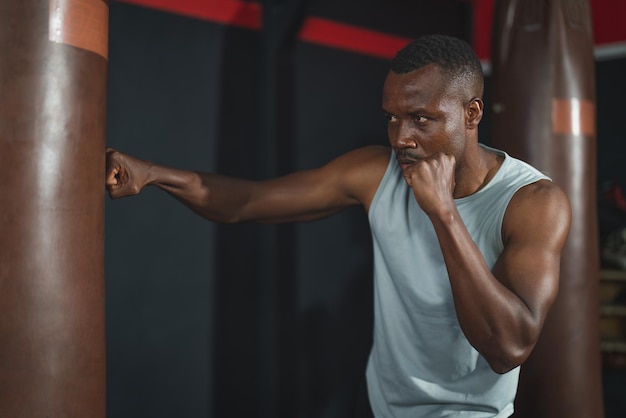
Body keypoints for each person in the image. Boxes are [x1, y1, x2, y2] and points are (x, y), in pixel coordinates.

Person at [106, 34, 571, 417]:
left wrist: (443, 214)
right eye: (392, 118)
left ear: (471, 114)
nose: (401, 138)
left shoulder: (531, 202)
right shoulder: (377, 174)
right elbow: (248, 202)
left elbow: (508, 347)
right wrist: (154, 175)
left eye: (421, 119)